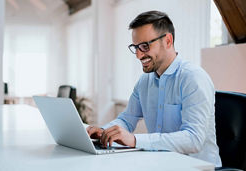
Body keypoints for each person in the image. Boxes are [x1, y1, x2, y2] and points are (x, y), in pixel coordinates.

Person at [86, 10, 222, 167]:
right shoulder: (145, 81)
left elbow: (193, 140)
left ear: (168, 41)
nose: (138, 55)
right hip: (161, 164)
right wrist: (103, 131)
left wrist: (135, 140)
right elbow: (126, 119)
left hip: (196, 167)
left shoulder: (193, 78)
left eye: (144, 46)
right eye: (135, 47)